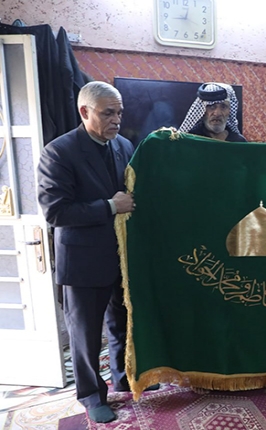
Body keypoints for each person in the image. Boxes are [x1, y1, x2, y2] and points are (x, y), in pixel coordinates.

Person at [37, 82, 145, 423]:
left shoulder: (124, 145)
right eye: (108, 113)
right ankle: (91, 396)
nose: (117, 120)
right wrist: (110, 206)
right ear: (85, 112)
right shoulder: (59, 152)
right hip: (83, 261)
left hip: (121, 257)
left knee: (122, 323)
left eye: (120, 113)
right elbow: (56, 212)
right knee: (85, 335)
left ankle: (123, 377)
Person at [179, 82, 247, 142]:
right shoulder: (190, 140)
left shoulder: (238, 142)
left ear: (230, 110)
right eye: (211, 107)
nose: (217, 113)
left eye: (223, 107)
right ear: (203, 110)